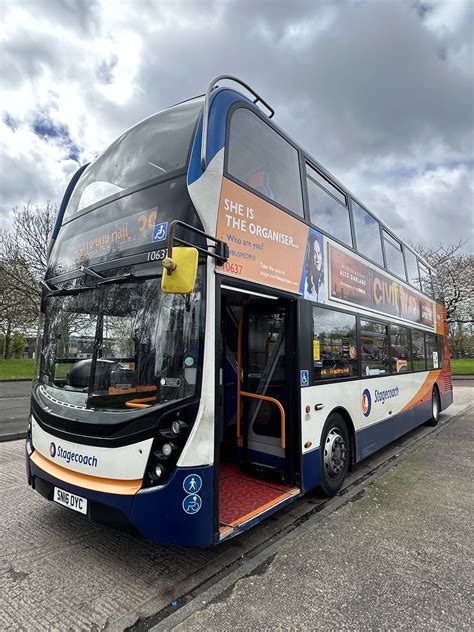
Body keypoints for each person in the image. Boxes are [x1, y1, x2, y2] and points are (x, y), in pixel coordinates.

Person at [304, 233, 325, 302]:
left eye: (319, 253)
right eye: (314, 254)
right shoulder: (306, 283)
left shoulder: (325, 281)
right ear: (309, 257)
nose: (317, 259)